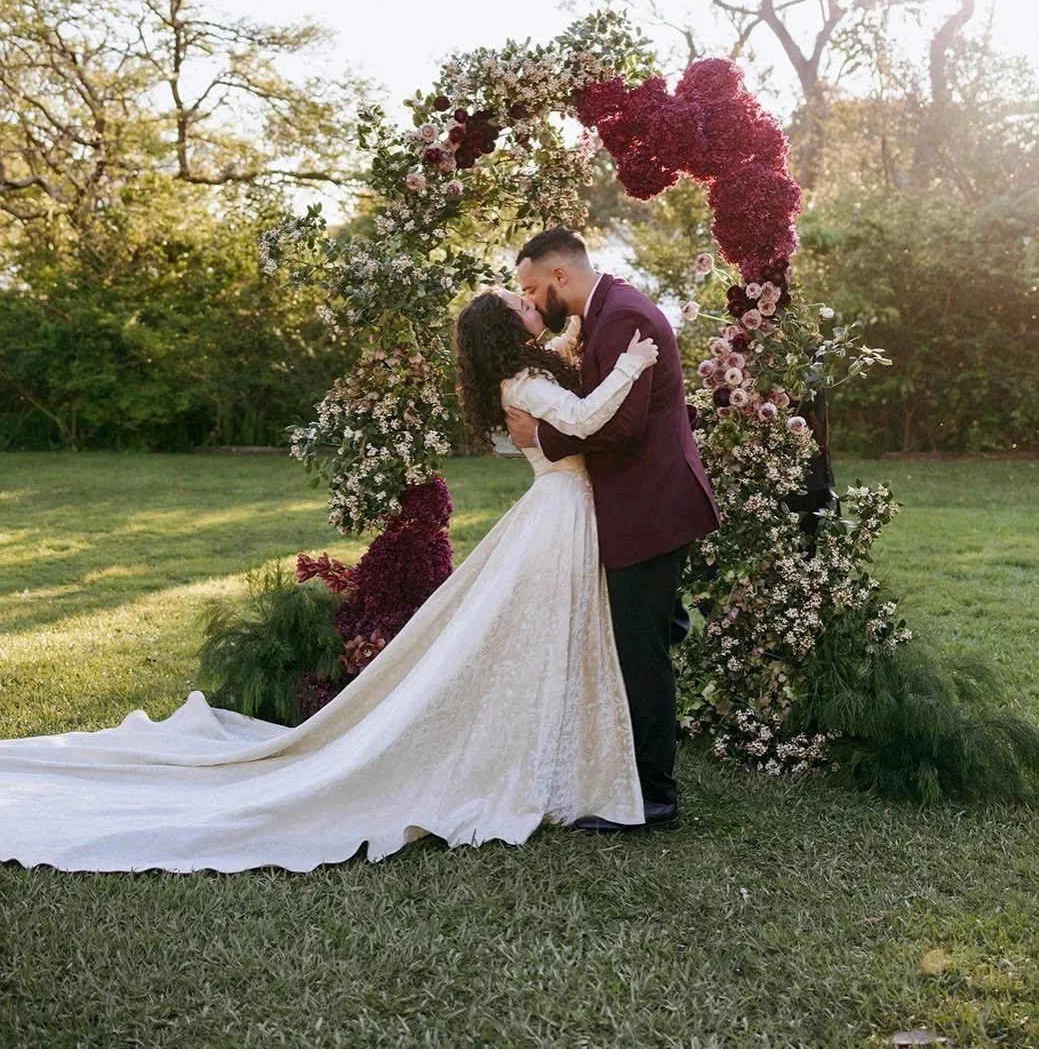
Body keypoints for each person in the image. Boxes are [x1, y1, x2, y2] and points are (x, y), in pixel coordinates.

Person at [0, 289, 660, 872]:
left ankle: (564, 759)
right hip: (557, 512)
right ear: (502, 330)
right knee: (541, 637)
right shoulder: (521, 377)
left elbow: (563, 397)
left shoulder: (523, 369)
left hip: (562, 509)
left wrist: (580, 342)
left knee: (554, 638)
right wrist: (630, 365)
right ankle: (540, 767)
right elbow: (578, 421)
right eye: (517, 304)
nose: (529, 303)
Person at [506, 228, 721, 832]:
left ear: (559, 278)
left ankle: (655, 801)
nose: (530, 300)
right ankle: (630, 774)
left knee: (640, 653)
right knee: (640, 639)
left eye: (529, 288)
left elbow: (622, 427)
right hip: (638, 504)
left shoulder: (625, 316)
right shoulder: (604, 311)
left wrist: (540, 439)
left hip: (649, 508)